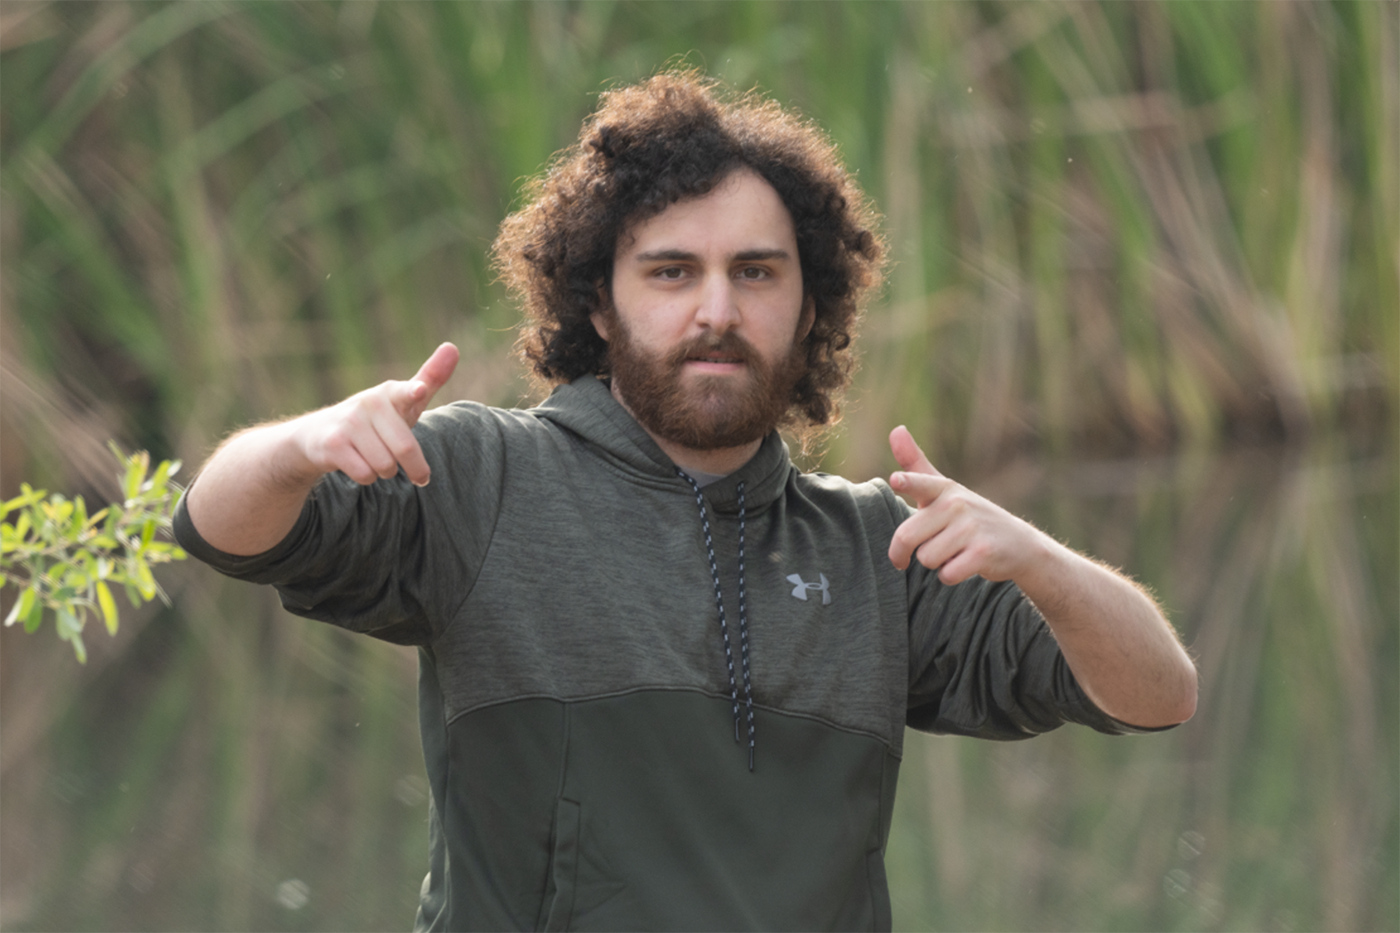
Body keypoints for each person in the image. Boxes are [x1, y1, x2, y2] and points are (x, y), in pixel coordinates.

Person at [174, 70, 1196, 932]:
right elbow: (221, 528)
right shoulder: (478, 479)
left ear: (809, 307)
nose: (716, 310)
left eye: (755, 273)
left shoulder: (877, 548)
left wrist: (1041, 564)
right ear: (598, 306)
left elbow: (1157, 696)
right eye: (671, 273)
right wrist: (300, 447)